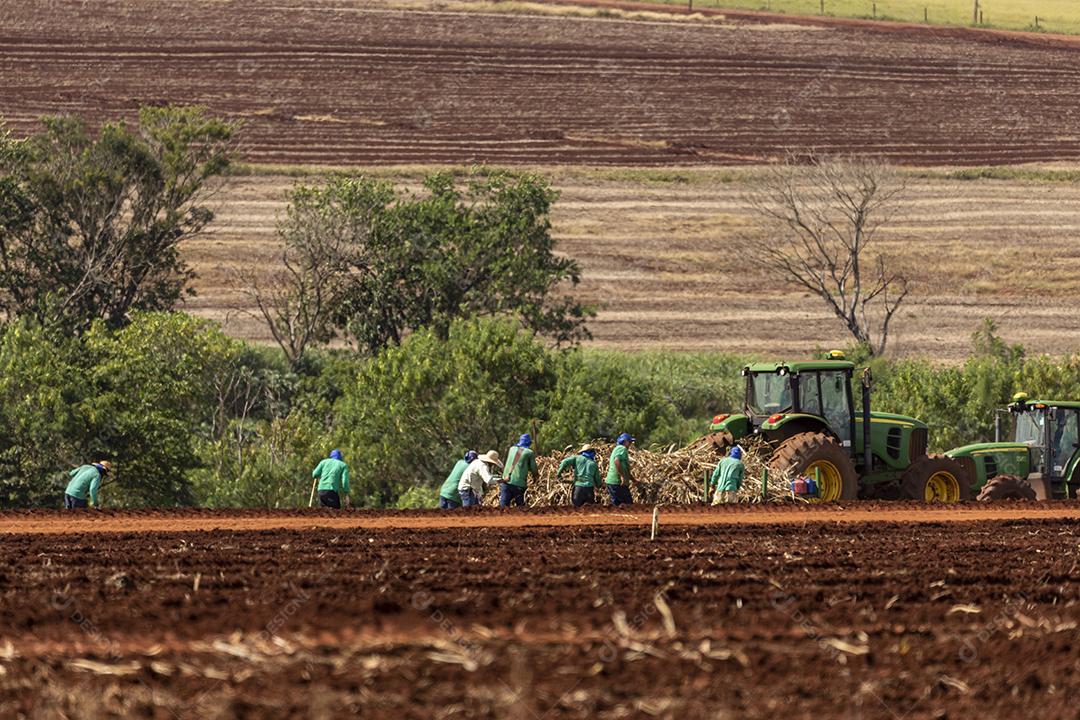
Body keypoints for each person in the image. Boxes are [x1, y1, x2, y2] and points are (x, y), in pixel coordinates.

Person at [500, 433, 538, 508]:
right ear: (529, 443)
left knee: (503, 507)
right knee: (520, 508)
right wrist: (536, 478)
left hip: (506, 481)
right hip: (518, 484)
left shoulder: (511, 449)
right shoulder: (529, 452)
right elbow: (534, 469)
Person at [605, 433, 635, 506]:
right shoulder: (622, 448)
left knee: (617, 505)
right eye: (629, 442)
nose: (630, 444)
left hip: (613, 482)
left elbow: (625, 470)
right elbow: (616, 461)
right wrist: (622, 476)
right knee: (628, 504)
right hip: (617, 482)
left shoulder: (617, 449)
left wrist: (633, 480)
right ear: (624, 442)